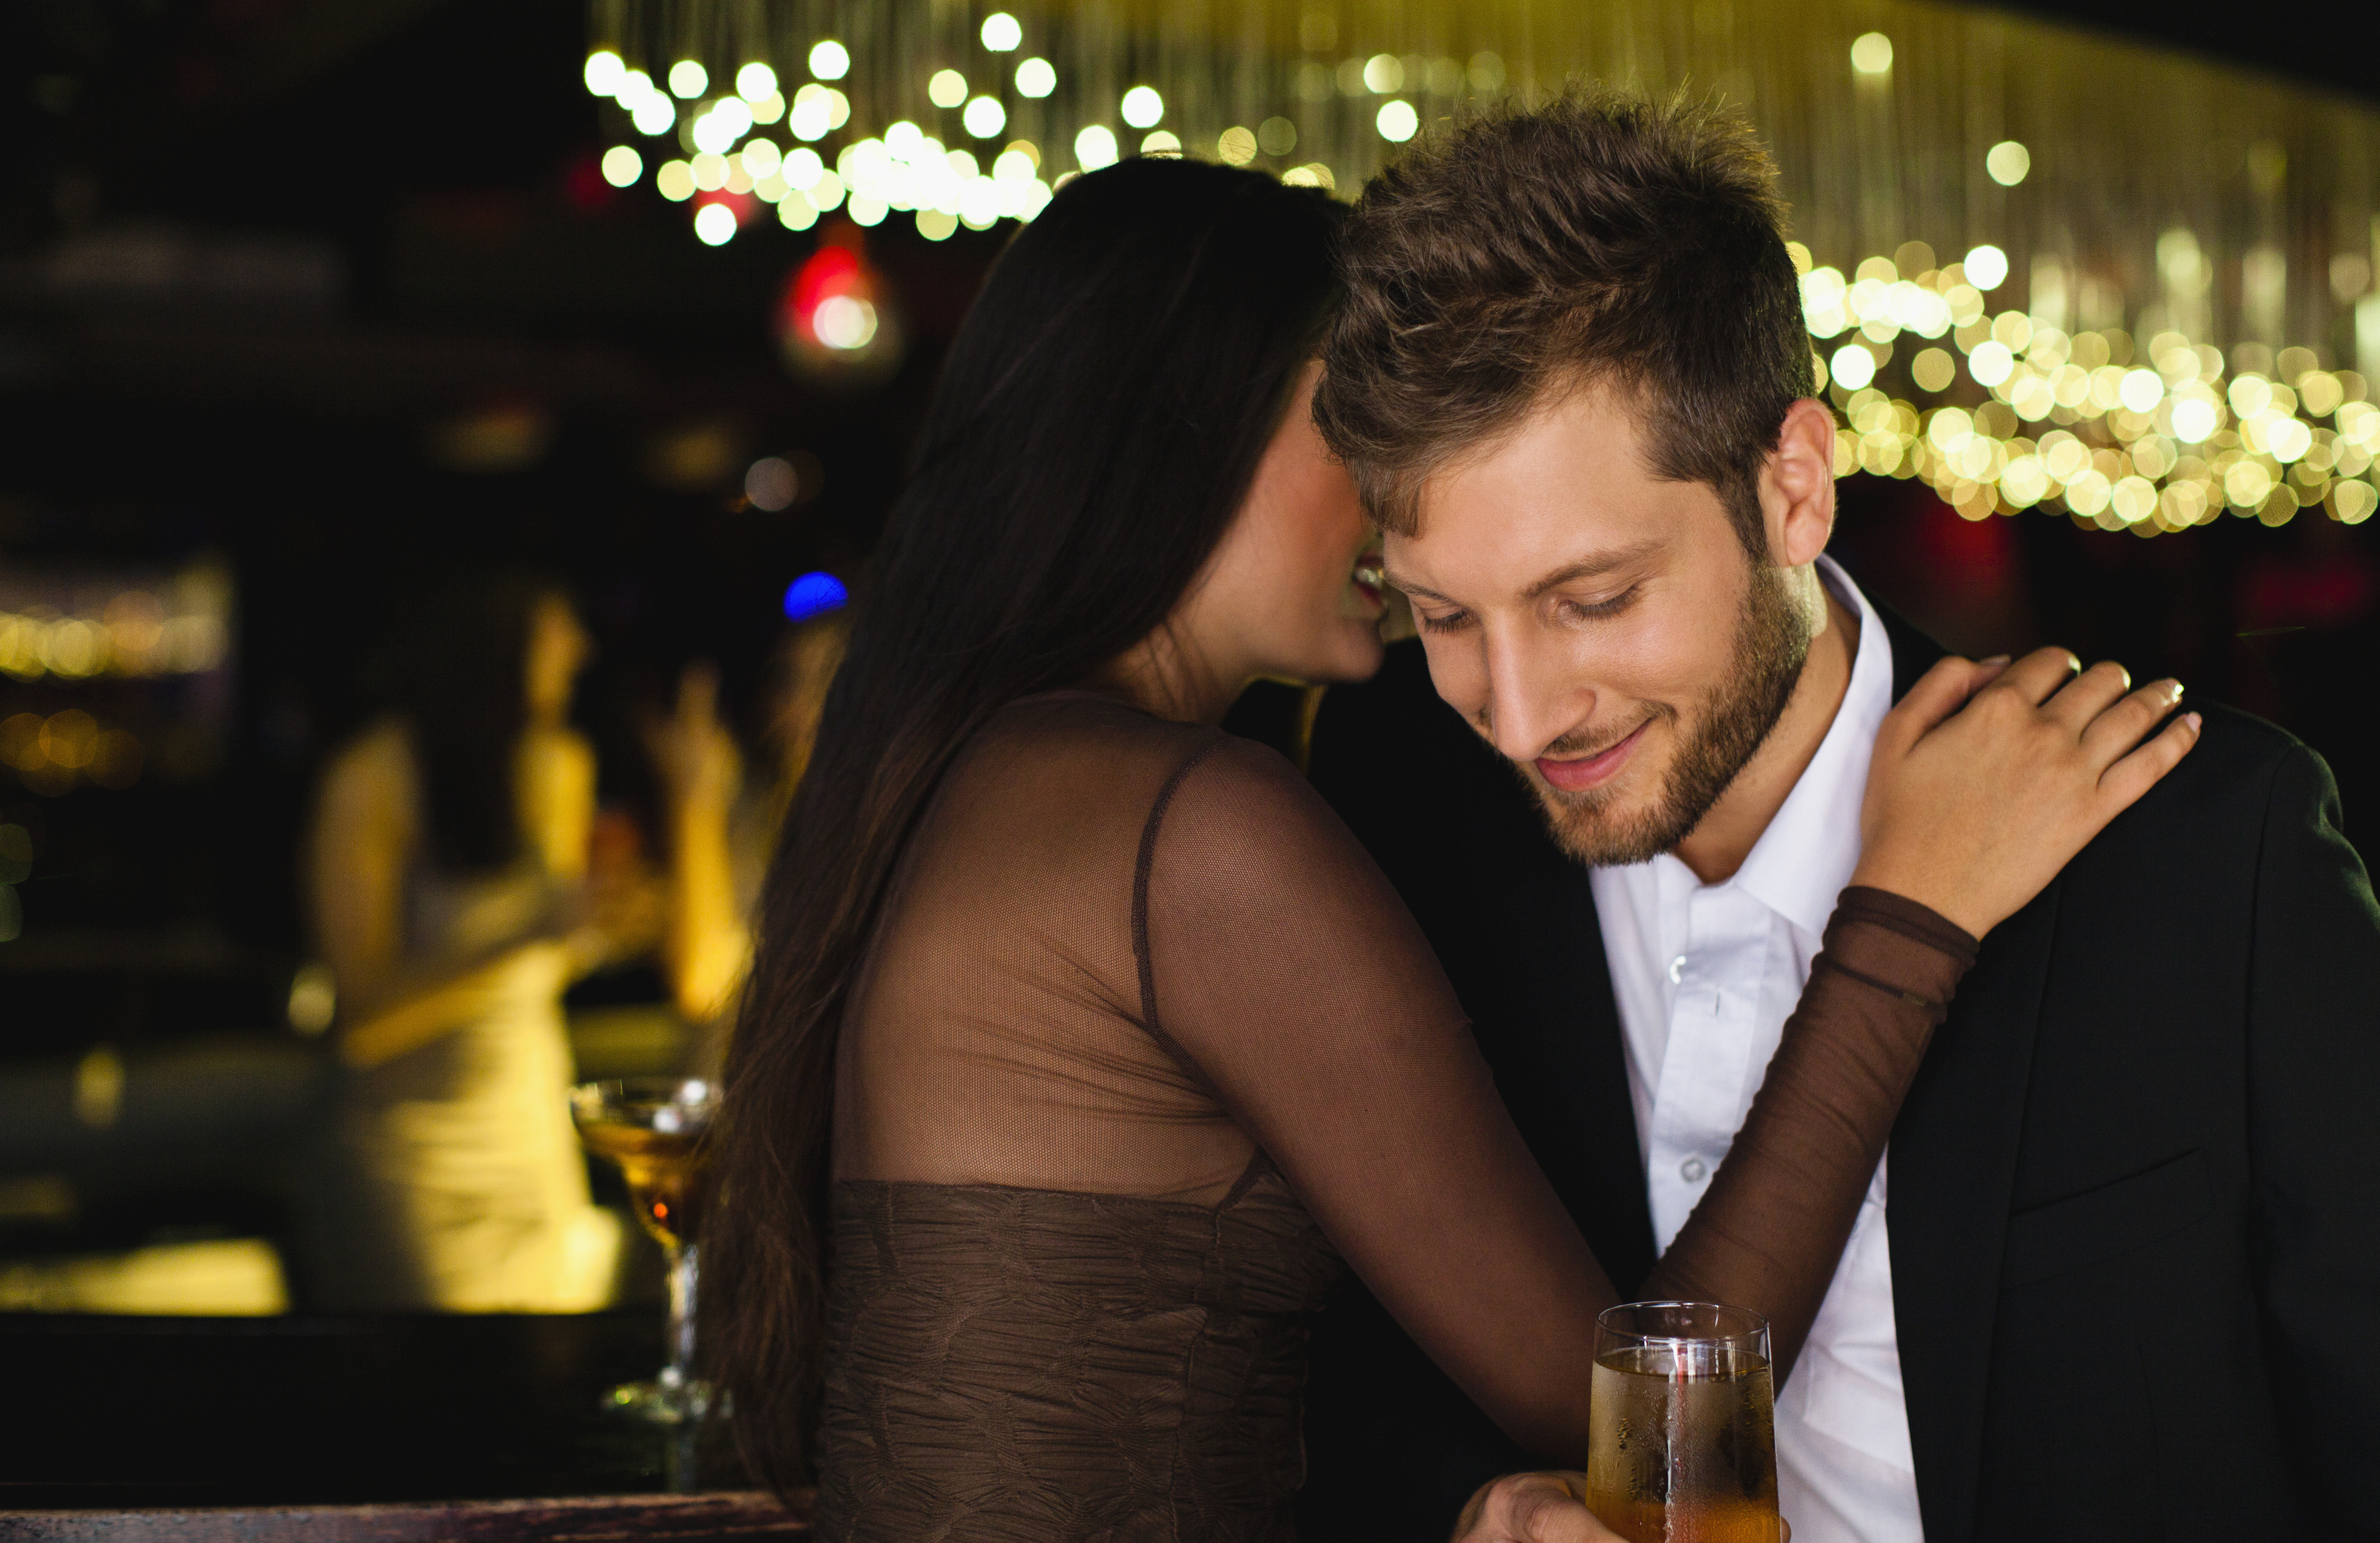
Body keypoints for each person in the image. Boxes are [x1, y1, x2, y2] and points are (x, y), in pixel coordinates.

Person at [704, 156, 2194, 1543]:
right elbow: (1640, 1432)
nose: (1403, 494)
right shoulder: (1186, 832)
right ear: (1191, 432)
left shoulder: (1004, 779)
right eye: (1356, 422)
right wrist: (1906, 913)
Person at [1299, 93, 2380, 1542]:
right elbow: (1331, 1363)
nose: (1518, 711)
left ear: (1791, 490)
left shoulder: (2203, 854)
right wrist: (1470, 1501)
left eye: (1592, 599)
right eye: (1443, 617)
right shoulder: (1400, 813)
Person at [303, 574, 741, 1310]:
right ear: (490, 638)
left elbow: (657, 965)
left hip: (531, 1135)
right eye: (555, 628)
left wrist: (613, 916)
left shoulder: (558, 763)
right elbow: (361, 1025)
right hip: (416, 1158)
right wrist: (537, 931)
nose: (579, 649)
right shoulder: (370, 776)